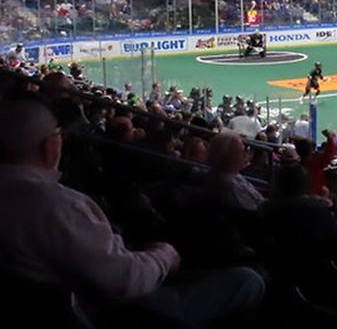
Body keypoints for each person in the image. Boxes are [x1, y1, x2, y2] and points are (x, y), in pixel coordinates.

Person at [0, 100, 264, 326]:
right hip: (118, 311)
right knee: (248, 280)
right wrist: (164, 256)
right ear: (51, 146)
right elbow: (124, 280)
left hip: (73, 303)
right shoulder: (57, 206)